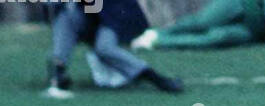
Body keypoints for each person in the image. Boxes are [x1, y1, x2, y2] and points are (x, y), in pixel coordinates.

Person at [45, 0, 183, 97]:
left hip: (111, 15)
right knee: (67, 16)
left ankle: (154, 77)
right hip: (87, 15)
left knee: (104, 49)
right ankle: (58, 69)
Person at [133, 0, 265, 51]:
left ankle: (157, 41)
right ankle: (157, 33)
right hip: (242, 5)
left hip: (256, 30)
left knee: (216, 38)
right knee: (203, 21)